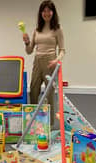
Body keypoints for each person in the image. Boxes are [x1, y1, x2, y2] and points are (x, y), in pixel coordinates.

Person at [22, 0, 65, 128]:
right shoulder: (37, 29)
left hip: (50, 61)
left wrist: (57, 60)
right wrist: (26, 42)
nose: (46, 13)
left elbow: (63, 50)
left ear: (53, 12)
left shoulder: (57, 28)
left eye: (49, 10)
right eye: (44, 11)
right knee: (33, 90)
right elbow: (29, 51)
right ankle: (34, 121)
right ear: (41, 13)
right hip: (37, 61)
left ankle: (49, 124)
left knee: (49, 93)